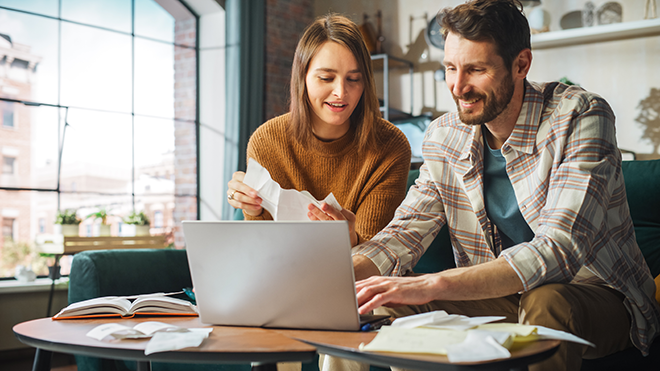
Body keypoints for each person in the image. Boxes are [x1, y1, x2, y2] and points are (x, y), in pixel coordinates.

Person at [351, 1, 660, 370]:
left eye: (476, 69)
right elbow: (403, 235)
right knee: (376, 300)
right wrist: (335, 275)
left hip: (597, 295)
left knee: (547, 301)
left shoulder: (579, 114)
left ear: (521, 65)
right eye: (450, 68)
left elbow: (558, 250)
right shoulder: (443, 136)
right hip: (500, 297)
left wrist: (433, 283)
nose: (458, 87)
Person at [226, 14, 411, 255]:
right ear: (302, 77)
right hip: (284, 278)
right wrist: (252, 209)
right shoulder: (267, 141)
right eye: (326, 78)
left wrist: (350, 239)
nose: (341, 92)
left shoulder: (390, 146)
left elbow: (377, 257)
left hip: (361, 283)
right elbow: (264, 253)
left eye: (354, 79)